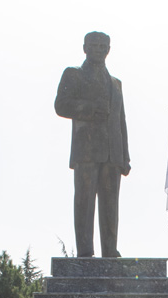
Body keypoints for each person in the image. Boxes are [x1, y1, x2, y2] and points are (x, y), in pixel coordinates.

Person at [54, 30, 130, 258]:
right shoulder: (74, 74)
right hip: (86, 150)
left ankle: (110, 250)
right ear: (85, 48)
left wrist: (125, 156)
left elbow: (121, 121)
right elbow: (61, 105)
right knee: (84, 203)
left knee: (111, 205)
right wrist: (90, 109)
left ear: (108, 50)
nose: (98, 49)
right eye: (94, 45)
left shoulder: (116, 84)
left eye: (102, 46)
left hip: (113, 154)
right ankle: (85, 252)